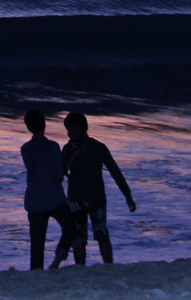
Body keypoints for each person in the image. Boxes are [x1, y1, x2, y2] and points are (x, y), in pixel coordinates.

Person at [56, 111, 136, 267]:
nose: (68, 133)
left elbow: (63, 172)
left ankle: (87, 268)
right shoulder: (90, 147)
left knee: (83, 236)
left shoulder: (81, 148)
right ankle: (106, 266)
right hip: (91, 197)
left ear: (77, 127)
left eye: (69, 129)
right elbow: (115, 172)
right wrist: (128, 196)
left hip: (82, 198)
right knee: (98, 234)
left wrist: (128, 195)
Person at [20, 110, 76, 270]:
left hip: (34, 200)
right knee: (70, 226)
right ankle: (57, 259)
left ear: (28, 127)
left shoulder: (26, 149)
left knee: (37, 244)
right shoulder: (52, 146)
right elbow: (59, 176)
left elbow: (34, 168)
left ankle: (36, 273)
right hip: (54, 198)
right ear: (44, 125)